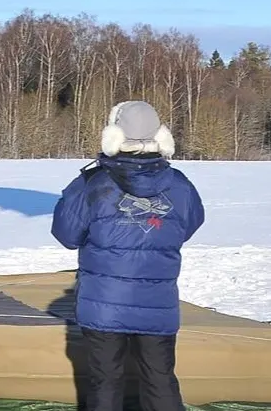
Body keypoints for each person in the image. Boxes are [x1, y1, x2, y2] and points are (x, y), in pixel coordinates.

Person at [50, 100, 205, 411]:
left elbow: (67, 235)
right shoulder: (180, 186)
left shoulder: (92, 184)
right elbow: (189, 225)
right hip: (158, 305)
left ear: (114, 135)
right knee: (160, 380)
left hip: (103, 307)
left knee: (105, 383)